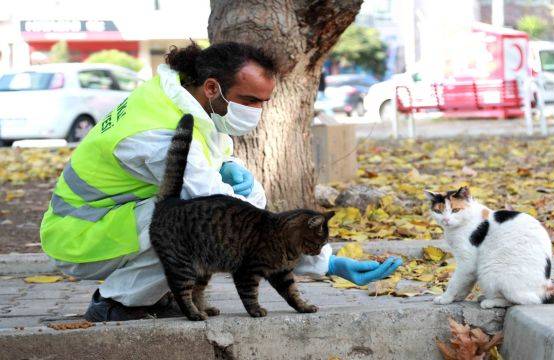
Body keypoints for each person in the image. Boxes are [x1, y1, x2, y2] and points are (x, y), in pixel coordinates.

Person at [39, 41, 401, 322]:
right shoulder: (159, 132)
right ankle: (115, 303)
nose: (257, 111)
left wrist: (238, 178)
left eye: (264, 102)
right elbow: (227, 219)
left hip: (107, 221)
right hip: (78, 237)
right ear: (212, 87)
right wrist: (326, 262)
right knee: (186, 225)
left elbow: (231, 195)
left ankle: (157, 295)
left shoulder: (181, 102)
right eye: (250, 100)